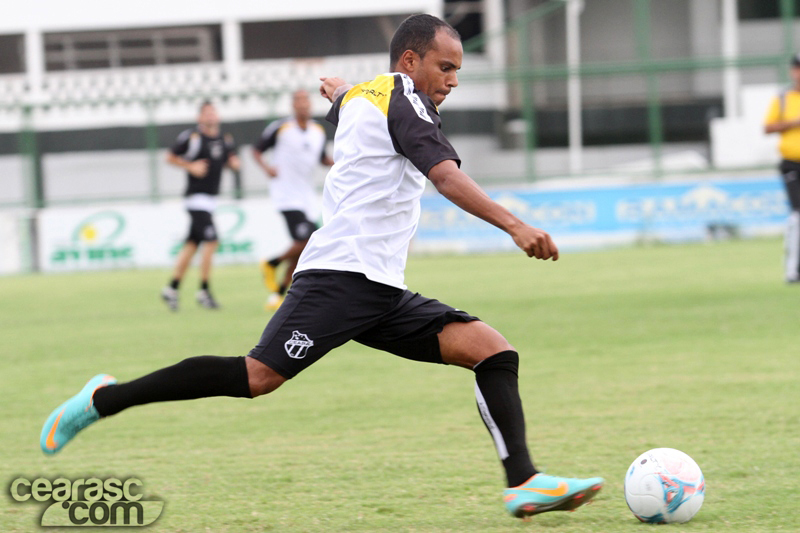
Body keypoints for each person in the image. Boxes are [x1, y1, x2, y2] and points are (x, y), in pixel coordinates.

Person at [40, 15, 603, 520]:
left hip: (380, 288)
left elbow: (350, 100)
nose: (453, 80)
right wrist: (516, 226)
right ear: (409, 61)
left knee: (493, 351)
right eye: (445, 66)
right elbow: (447, 176)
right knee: (258, 377)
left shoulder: (368, 95)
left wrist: (338, 91)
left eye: (457, 69)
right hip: (339, 278)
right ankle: (101, 400)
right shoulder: (404, 98)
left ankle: (523, 483)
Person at [252, 89, 334, 310]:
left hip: (306, 197)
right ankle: (271, 263)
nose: (303, 104)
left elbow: (322, 159)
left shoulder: (318, 131)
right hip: (285, 195)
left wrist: (340, 163)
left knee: (303, 248)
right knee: (307, 241)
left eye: (306, 100)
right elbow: (256, 150)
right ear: (293, 105)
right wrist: (267, 168)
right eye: (298, 101)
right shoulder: (281, 128)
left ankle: (278, 294)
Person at [160, 101, 240, 310]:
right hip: (196, 199)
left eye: (213, 112)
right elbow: (169, 157)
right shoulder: (192, 137)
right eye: (207, 113)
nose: (211, 116)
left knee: (192, 245)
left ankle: (172, 288)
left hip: (211, 200)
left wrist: (233, 164)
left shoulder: (224, 139)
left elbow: (231, 159)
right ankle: (204, 291)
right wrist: (190, 166)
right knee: (212, 241)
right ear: (200, 118)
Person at [764, 53, 800, 283]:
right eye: (796, 68)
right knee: (798, 215)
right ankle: (793, 268)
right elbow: (768, 127)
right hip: (792, 163)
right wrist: (794, 122)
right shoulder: (783, 98)